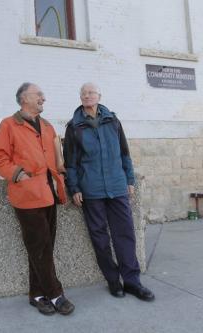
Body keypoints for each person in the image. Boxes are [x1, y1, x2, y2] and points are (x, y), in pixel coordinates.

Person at [63, 82, 155, 301]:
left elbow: (125, 153)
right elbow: (71, 162)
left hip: (117, 186)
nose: (87, 95)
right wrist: (74, 187)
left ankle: (132, 282)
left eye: (91, 92)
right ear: (80, 97)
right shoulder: (74, 126)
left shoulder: (113, 120)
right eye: (83, 93)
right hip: (91, 191)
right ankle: (113, 281)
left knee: (125, 234)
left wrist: (129, 179)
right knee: (100, 238)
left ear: (99, 96)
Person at [0, 82, 75, 315]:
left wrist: (61, 174)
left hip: (49, 194)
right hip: (27, 196)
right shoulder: (9, 125)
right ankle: (56, 294)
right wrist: (20, 175)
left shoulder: (47, 126)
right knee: (40, 247)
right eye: (39, 94)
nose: (43, 98)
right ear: (23, 98)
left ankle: (36, 294)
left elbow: (55, 157)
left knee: (43, 247)